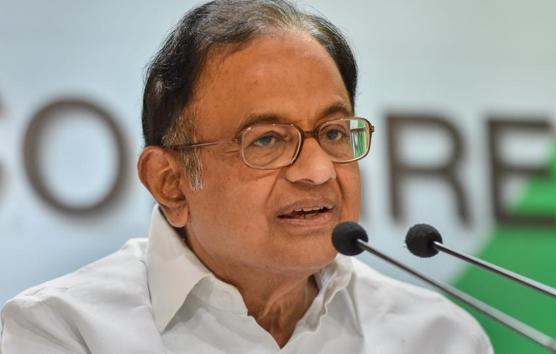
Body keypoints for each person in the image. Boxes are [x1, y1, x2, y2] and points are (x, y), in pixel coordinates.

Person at [0, 1, 492, 353]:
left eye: (335, 133)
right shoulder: (61, 331)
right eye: (267, 140)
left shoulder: (439, 337)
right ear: (169, 182)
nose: (319, 171)